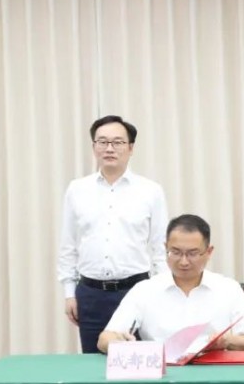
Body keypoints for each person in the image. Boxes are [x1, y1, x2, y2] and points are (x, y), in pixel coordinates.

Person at [57, 115, 169, 354]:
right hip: (90, 293)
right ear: (94, 147)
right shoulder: (77, 189)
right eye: (103, 142)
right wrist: (69, 293)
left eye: (118, 142)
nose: (109, 148)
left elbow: (160, 248)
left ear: (131, 148)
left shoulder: (150, 191)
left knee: (137, 361)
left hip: (136, 291)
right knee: (92, 363)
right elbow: (68, 245)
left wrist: (161, 294)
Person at [98, 214, 244, 353]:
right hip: (162, 372)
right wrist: (121, 344)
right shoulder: (144, 290)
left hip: (213, 371)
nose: (183, 261)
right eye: (175, 252)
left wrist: (226, 341)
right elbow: (105, 339)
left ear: (209, 252)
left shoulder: (228, 288)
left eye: (192, 253)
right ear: (166, 248)